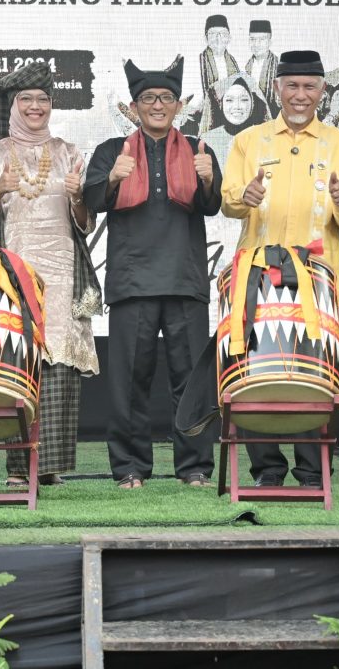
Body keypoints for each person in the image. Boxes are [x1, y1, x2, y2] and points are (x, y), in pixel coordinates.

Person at [221, 49, 339, 488]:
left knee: (314, 370)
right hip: (258, 274)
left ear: (322, 91)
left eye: (310, 87)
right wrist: (243, 197)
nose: (300, 95)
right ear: (277, 89)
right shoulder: (250, 140)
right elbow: (227, 201)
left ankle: (311, 471)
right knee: (253, 368)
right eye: (292, 86)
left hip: (317, 277)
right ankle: (265, 471)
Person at [83, 56, 221, 489]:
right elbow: (91, 201)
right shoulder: (112, 151)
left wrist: (209, 180)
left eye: (165, 98)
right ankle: (129, 468)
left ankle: (195, 467)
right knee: (128, 385)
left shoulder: (199, 148)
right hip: (132, 283)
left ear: (179, 106)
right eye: (148, 98)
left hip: (185, 281)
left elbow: (212, 205)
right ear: (134, 106)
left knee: (192, 382)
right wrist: (111, 180)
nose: (157, 105)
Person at [0, 62, 100, 488]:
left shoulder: (68, 152)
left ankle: (49, 466)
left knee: (58, 363)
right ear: (13, 106)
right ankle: (15, 468)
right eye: (26, 99)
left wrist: (80, 197)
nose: (35, 107)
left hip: (63, 271)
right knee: (18, 358)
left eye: (42, 100)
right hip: (14, 269)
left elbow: (85, 223)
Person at [198, 15, 240, 132]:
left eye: (223, 34)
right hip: (204, 117)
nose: (218, 38)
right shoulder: (198, 61)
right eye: (213, 34)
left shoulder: (234, 63)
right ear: (205, 38)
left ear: (229, 38)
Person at [244, 20, 279, 118]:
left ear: (270, 42)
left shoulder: (279, 66)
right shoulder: (247, 67)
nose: (256, 44)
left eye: (262, 39)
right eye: (253, 39)